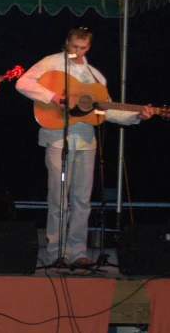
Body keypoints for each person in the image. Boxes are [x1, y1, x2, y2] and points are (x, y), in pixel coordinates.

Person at [16, 27, 153, 266]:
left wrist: (136, 116)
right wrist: (57, 98)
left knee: (82, 200)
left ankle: (78, 252)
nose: (77, 52)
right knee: (58, 198)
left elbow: (107, 110)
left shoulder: (95, 76)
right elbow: (23, 83)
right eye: (74, 47)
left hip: (87, 142)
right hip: (57, 138)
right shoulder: (51, 63)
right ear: (66, 42)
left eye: (83, 48)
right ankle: (56, 252)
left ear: (89, 47)